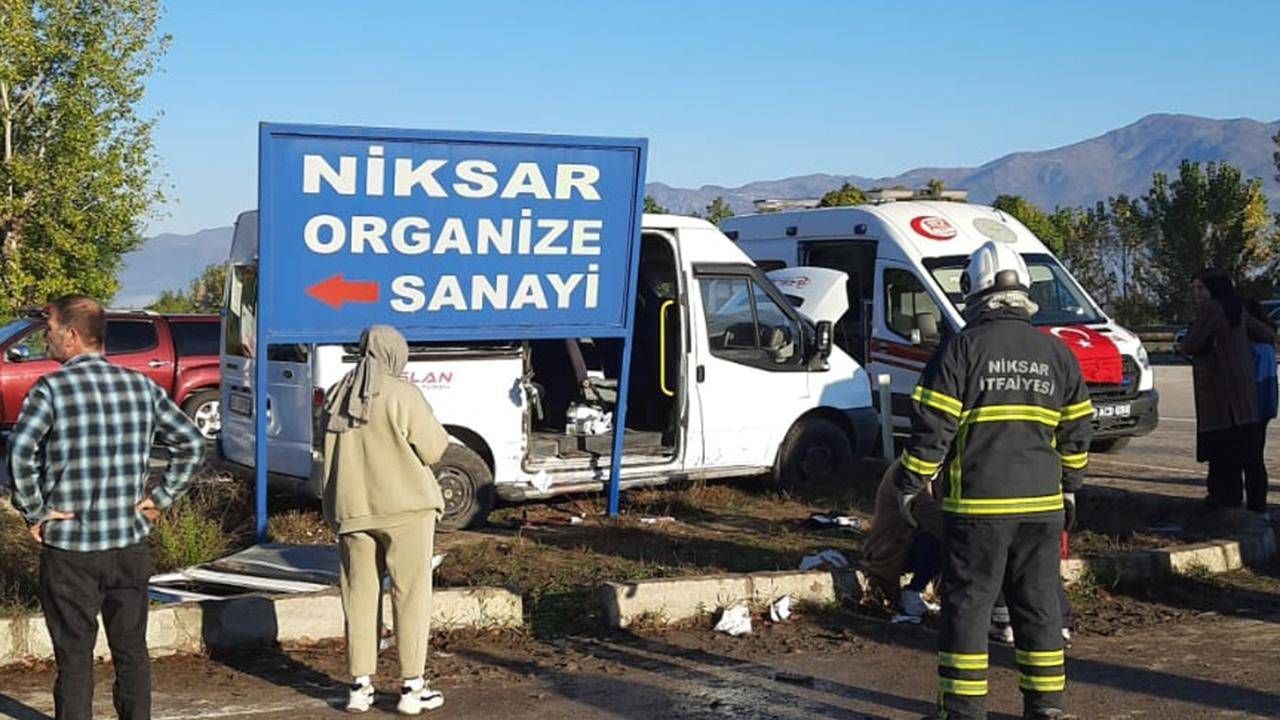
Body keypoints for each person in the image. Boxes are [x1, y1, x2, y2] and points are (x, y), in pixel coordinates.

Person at [896, 241, 1092, 720]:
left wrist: (908, 485)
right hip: (1043, 509)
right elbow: (1078, 430)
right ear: (1024, 292)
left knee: (968, 609)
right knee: (1040, 607)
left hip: (978, 511)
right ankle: (1046, 708)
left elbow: (933, 428)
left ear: (974, 291)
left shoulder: (962, 348)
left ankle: (962, 712)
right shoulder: (1057, 351)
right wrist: (1069, 486)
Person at [8, 295, 206, 720]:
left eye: (52, 329)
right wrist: (160, 499)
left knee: (75, 659)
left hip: (71, 547)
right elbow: (191, 443)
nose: (48, 337)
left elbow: (20, 452)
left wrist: (34, 510)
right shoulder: (141, 386)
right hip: (129, 543)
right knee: (131, 651)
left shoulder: (51, 389)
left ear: (72, 335)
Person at [320, 325, 451, 715]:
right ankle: (412, 688)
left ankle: (360, 687)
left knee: (358, 597)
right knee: (410, 596)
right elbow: (434, 447)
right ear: (396, 353)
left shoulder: (337, 394)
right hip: (406, 509)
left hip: (351, 510)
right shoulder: (401, 393)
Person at [1179, 271, 1275, 510]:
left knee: (1225, 456)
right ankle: (1257, 508)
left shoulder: (1212, 309)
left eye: (1200, 288)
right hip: (1245, 400)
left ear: (1213, 289)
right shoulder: (1237, 309)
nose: (1196, 294)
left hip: (1222, 399)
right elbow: (1268, 334)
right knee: (1251, 458)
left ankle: (1228, 504)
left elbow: (1190, 344)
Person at [862, 460, 944, 622]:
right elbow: (933, 518)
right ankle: (913, 591)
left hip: (906, 543)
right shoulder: (908, 473)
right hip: (890, 548)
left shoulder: (939, 474)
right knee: (946, 540)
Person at [1244, 299, 1277, 514]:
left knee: (1251, 458)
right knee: (1255, 456)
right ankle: (1258, 503)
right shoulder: (1267, 347)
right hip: (1265, 407)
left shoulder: (1253, 349)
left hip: (1253, 407)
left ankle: (1256, 504)